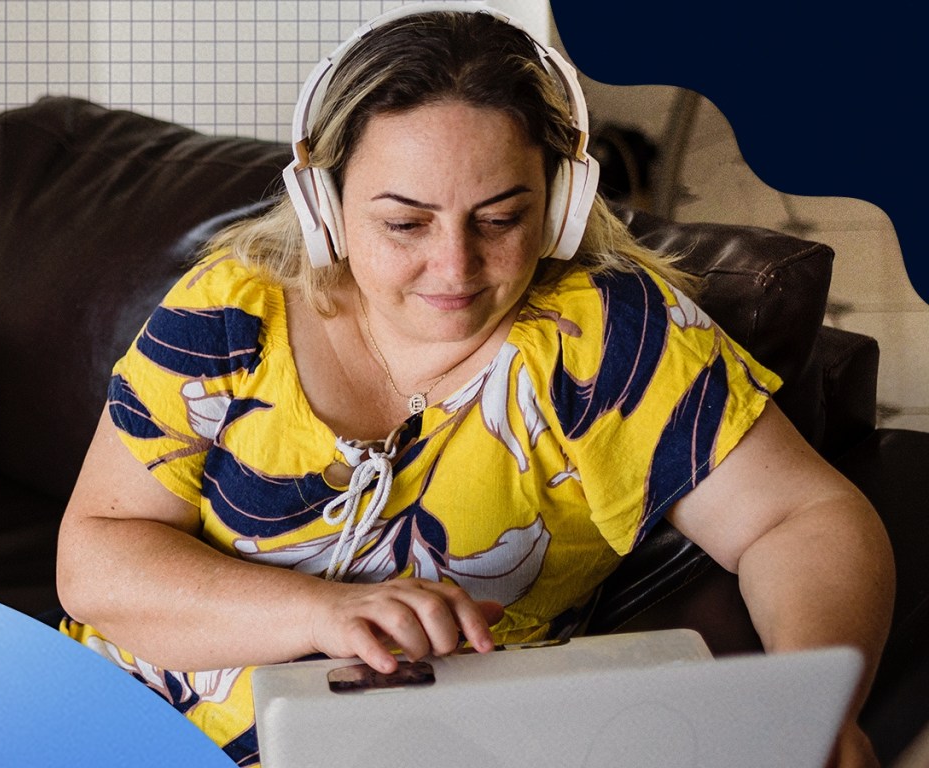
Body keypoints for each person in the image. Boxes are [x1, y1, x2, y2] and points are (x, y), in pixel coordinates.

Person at [55, 4, 894, 767]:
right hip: (109, 715)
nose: (453, 269)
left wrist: (818, 707)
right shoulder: (233, 307)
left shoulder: (605, 344)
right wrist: (320, 613)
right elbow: (96, 558)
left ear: (561, 204)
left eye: (500, 219)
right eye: (403, 223)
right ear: (324, 205)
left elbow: (800, 517)